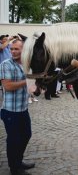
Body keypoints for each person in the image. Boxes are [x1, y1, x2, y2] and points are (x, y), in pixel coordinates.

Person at [0, 39, 35, 175]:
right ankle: (14, 168)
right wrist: (26, 82)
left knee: (26, 135)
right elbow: (7, 86)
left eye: (16, 49)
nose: (13, 51)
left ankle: (18, 161)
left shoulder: (26, 65)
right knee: (14, 140)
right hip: (10, 111)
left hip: (22, 109)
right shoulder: (5, 64)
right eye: (12, 49)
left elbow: (31, 85)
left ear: (23, 50)